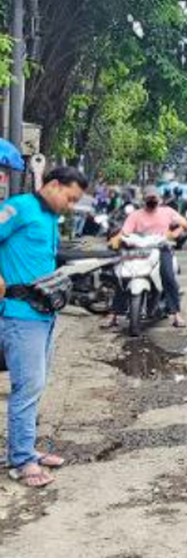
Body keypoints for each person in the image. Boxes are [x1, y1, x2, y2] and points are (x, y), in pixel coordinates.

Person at [0, 165, 89, 488]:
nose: (71, 205)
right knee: (27, 388)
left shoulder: (50, 217)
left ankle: (23, 449)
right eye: (70, 197)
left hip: (44, 316)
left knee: (35, 387)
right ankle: (22, 462)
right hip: (19, 315)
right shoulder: (20, 207)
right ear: (53, 184)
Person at [103, 191, 187, 330]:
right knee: (124, 275)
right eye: (149, 198)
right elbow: (124, 232)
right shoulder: (136, 215)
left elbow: (185, 224)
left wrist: (175, 233)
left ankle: (176, 314)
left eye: (154, 198)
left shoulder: (167, 212)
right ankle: (113, 314)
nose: (152, 200)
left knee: (168, 276)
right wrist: (115, 239)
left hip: (161, 248)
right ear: (144, 200)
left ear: (159, 200)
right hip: (139, 249)